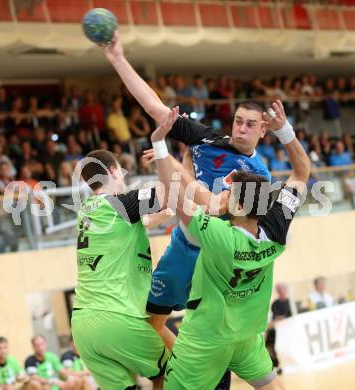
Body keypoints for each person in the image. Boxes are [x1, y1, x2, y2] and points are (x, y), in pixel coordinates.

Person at [101, 31, 270, 347]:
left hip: (216, 259)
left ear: (263, 129)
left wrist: (172, 164)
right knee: (151, 323)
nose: (242, 128)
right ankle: (179, 369)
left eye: (250, 124)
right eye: (238, 121)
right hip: (184, 244)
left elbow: (212, 205)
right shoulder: (207, 139)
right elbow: (156, 109)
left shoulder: (259, 177)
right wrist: (118, 59)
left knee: (213, 335)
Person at [150, 101, 309, 389]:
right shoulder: (276, 231)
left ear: (236, 203)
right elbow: (301, 172)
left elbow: (178, 195)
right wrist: (285, 132)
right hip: (247, 338)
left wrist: (160, 145)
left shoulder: (216, 235)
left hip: (206, 339)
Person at [71, 149, 172, 390]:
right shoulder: (118, 204)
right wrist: (165, 157)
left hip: (84, 327)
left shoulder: (86, 211)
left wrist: (163, 215)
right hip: (116, 317)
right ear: (113, 170)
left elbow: (139, 222)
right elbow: (170, 192)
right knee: (170, 373)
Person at [265, 284, 292, 375]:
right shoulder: (275, 304)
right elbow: (275, 318)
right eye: (279, 290)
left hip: (288, 329)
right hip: (275, 329)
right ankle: (276, 365)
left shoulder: (290, 302)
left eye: (283, 290)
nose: (281, 292)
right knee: (269, 344)